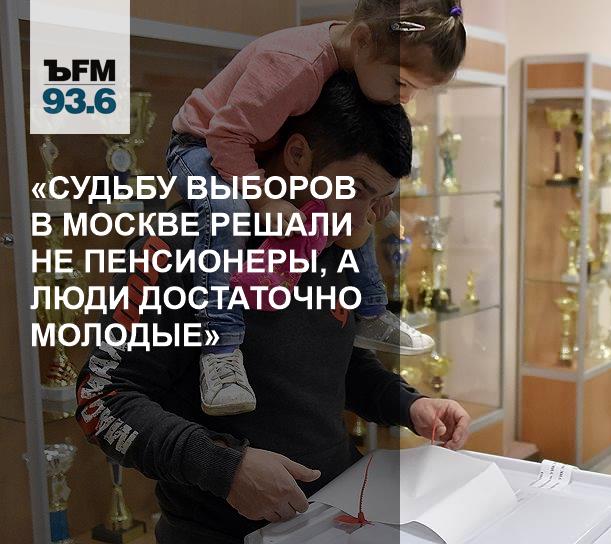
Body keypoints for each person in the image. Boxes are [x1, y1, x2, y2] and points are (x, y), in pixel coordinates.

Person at [76, 73, 471, 544]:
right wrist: (227, 469)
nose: (365, 215)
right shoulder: (177, 244)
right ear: (298, 155)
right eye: (357, 187)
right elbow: (102, 398)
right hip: (217, 533)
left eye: (381, 197)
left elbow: (333, 362)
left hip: (336, 515)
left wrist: (410, 404)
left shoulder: (335, 239)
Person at [167, 0, 467, 415]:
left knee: (352, 207)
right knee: (227, 213)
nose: (406, 99)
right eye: (401, 83)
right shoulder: (296, 67)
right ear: (362, 40)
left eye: (417, 89)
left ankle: (372, 310)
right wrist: (262, 198)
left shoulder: (355, 59)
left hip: (250, 143)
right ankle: (221, 348)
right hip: (200, 144)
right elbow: (226, 136)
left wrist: (377, 196)